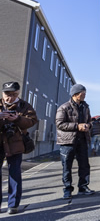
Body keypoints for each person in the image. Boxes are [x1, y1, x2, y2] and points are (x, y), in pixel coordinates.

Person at [0, 81, 38, 214]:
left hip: (16, 142)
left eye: (13, 94)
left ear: (18, 93)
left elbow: (32, 121)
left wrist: (17, 119)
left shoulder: (24, 105)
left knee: (14, 173)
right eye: (7, 94)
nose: (9, 97)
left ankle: (13, 204)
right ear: (3, 93)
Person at [56, 83, 95, 200]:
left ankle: (83, 187)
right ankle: (67, 189)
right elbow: (59, 124)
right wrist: (77, 126)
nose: (84, 96)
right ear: (75, 94)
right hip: (67, 141)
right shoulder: (64, 107)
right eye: (83, 93)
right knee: (67, 167)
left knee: (84, 165)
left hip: (82, 140)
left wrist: (88, 125)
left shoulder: (86, 107)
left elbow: (90, 121)